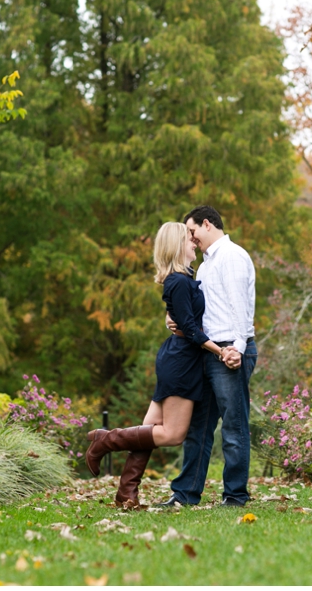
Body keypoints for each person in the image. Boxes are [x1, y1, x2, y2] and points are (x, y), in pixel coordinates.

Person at [84, 222, 236, 508]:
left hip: (178, 357)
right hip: (182, 361)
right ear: (177, 245)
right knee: (173, 434)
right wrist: (220, 351)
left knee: (148, 428)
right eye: (189, 239)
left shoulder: (181, 278)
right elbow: (190, 329)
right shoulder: (178, 281)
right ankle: (107, 440)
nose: (194, 243)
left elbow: (183, 317)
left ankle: (126, 492)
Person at [158, 205, 257, 508]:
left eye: (192, 231)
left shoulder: (233, 257)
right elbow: (194, 309)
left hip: (229, 350)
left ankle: (235, 496)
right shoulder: (203, 266)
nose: (190, 238)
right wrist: (171, 319)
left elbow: (241, 307)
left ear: (207, 224)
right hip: (207, 350)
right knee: (198, 427)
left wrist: (236, 349)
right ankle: (185, 494)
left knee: (233, 426)